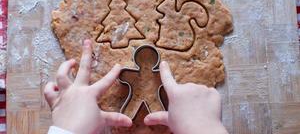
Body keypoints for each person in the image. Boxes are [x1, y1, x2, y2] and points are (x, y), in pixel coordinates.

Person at [45, 39, 229, 134]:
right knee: (141, 102)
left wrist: (67, 128)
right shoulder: (134, 74)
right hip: (141, 96)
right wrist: (204, 128)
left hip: (148, 96)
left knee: (149, 102)